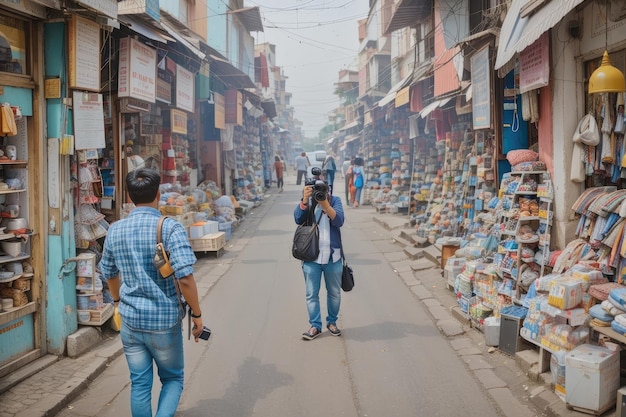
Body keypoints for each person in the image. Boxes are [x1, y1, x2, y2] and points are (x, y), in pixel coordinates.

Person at [99, 168, 203, 417]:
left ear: (129, 195)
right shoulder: (169, 228)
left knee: (140, 383)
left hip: (131, 322)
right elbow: (185, 278)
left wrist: (116, 302)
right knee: (173, 379)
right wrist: (197, 316)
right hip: (163, 322)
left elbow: (109, 273)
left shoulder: (115, 229)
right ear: (158, 194)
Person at [294, 179, 345, 340]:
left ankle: (332, 323)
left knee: (334, 293)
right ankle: (315, 326)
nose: (321, 192)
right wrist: (304, 200)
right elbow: (297, 219)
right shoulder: (309, 200)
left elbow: (339, 221)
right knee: (311, 294)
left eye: (324, 189)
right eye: (318, 189)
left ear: (329, 189)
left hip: (333, 256)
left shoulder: (334, 201)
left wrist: (325, 204)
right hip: (311, 257)